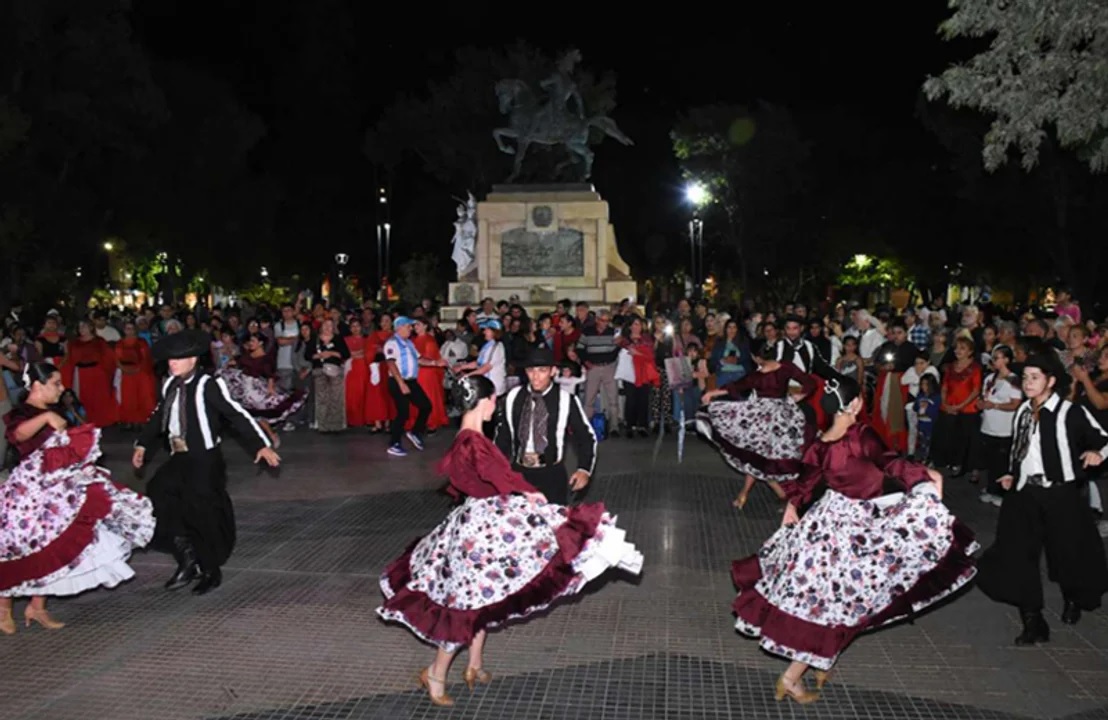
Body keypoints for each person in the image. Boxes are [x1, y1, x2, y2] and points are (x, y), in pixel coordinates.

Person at [377, 375, 642, 706]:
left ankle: (474, 665)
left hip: (479, 524)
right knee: (468, 604)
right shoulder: (473, 441)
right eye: (494, 401)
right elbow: (499, 476)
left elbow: (488, 478)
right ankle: (435, 673)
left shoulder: (469, 437)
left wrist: (525, 493)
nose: (495, 407)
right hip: (478, 533)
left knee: (484, 597)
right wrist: (531, 494)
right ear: (484, 401)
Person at [730, 374, 977, 704]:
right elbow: (890, 463)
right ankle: (791, 677)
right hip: (858, 525)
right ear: (856, 403)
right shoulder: (860, 434)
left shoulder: (819, 444)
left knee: (841, 599)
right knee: (840, 604)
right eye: (860, 398)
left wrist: (792, 505)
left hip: (828, 520)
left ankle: (820, 661)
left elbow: (805, 481)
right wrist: (924, 476)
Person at [2, 362, 155, 632]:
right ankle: (3, 609)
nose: (62, 389)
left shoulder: (57, 410)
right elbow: (17, 435)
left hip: (58, 492)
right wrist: (46, 419)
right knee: (17, 546)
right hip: (28, 493)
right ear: (38, 385)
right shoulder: (22, 413)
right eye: (56, 384)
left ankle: (36, 607)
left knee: (53, 548)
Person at [132, 329, 281, 595]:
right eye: (169, 359)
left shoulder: (208, 384)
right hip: (178, 456)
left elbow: (237, 415)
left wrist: (262, 445)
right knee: (158, 494)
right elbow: (157, 419)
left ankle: (211, 569)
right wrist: (143, 444)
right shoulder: (169, 384)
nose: (171, 363)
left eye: (177, 358)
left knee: (203, 513)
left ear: (193, 359)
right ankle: (187, 558)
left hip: (205, 460)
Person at [976, 353, 1108, 643]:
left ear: (1050, 381)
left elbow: (1104, 438)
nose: (1028, 382)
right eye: (1025, 377)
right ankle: (1033, 620)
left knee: (1069, 552)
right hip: (1025, 493)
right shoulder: (1023, 410)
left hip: (1061, 493)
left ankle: (1073, 598)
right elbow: (1021, 447)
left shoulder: (1069, 412)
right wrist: (1013, 473)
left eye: (1034, 377)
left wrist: (1097, 453)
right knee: (1017, 554)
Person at [698, 346, 817, 509]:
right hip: (783, 417)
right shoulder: (786, 367)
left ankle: (755, 494)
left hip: (762, 418)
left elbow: (736, 386)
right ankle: (760, 493)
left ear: (757, 358)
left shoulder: (757, 376)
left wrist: (711, 393)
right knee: (762, 458)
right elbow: (810, 382)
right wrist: (799, 396)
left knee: (758, 457)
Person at [495, 347, 597, 505]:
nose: (535, 377)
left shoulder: (566, 400)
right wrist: (497, 469)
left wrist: (584, 469)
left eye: (542, 370)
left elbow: (586, 436)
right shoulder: (513, 397)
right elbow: (503, 436)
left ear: (553, 371)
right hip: (518, 474)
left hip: (551, 474)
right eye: (530, 370)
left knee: (553, 525)